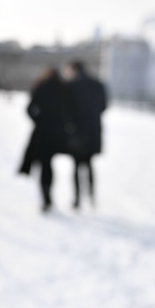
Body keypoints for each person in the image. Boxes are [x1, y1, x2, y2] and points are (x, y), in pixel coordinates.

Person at [19, 67, 68, 212]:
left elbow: (29, 108)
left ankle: (45, 196)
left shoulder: (41, 86)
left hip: (41, 132)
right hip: (57, 132)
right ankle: (48, 195)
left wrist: (38, 121)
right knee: (49, 164)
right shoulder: (64, 88)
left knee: (43, 164)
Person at [63, 60, 107, 209]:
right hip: (93, 131)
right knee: (89, 164)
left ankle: (77, 199)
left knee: (76, 166)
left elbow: (66, 110)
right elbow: (104, 106)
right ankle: (92, 196)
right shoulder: (98, 84)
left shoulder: (71, 86)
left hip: (75, 132)